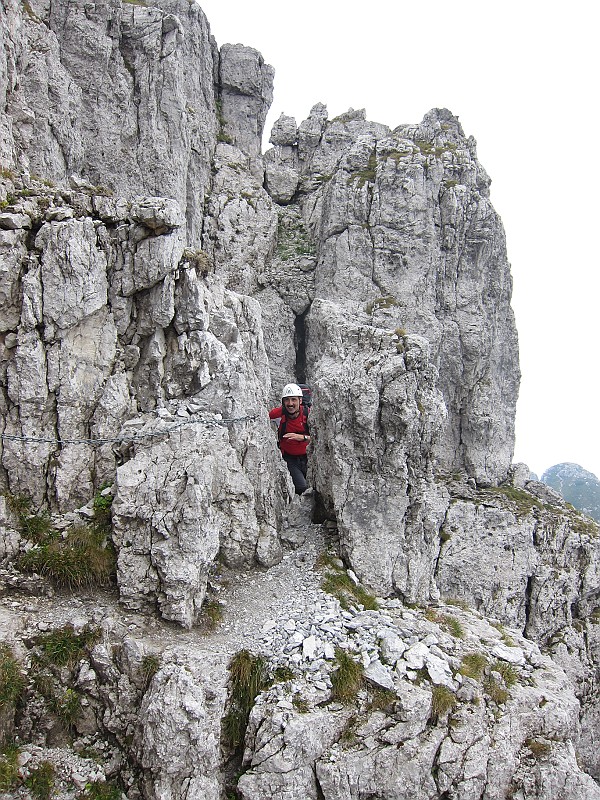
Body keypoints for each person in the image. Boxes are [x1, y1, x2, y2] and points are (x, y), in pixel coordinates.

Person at [269, 383, 311, 495]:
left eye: (293, 400)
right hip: (290, 459)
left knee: (314, 486)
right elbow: (264, 416)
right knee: (302, 487)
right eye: (287, 400)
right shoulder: (280, 413)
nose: (290, 403)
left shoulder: (308, 414)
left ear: (300, 401)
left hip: (309, 458)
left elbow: (321, 438)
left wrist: (302, 437)